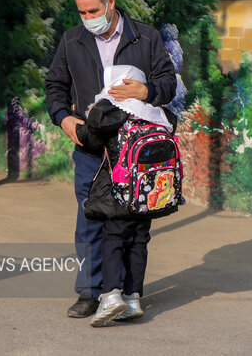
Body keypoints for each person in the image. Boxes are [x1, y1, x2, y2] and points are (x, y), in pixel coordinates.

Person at [44, 0, 176, 318]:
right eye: (82, 12)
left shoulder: (145, 36)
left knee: (135, 223)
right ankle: (90, 292)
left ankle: (130, 295)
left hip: (135, 148)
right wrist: (63, 118)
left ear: (110, 3)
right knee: (91, 218)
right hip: (92, 145)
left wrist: (147, 92)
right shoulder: (72, 40)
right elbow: (55, 84)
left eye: (93, 10)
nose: (88, 19)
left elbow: (167, 82)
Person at [74, 67, 179, 326]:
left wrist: (82, 117)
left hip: (120, 192)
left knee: (113, 239)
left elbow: (89, 140)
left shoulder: (108, 112)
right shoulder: (161, 114)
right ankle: (133, 298)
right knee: (138, 240)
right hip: (151, 193)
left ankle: (110, 295)